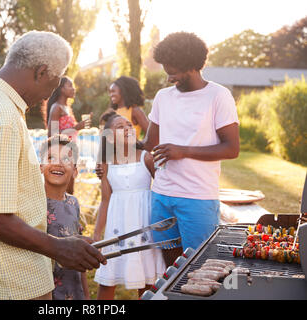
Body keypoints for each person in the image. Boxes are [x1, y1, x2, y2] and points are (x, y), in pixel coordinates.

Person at [0, 30, 106, 300]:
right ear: (41, 71)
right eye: (52, 86)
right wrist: (59, 248)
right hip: (12, 277)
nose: (46, 97)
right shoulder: (1, 115)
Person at [141, 32, 240, 266]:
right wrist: (121, 141)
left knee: (199, 266)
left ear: (191, 67)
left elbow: (231, 148)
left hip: (197, 197)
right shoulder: (163, 97)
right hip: (162, 195)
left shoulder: (218, 95)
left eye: (172, 72)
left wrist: (183, 151)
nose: (168, 78)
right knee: (170, 267)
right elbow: (149, 143)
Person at [93, 112, 165, 300]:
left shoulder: (146, 157)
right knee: (108, 278)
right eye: (119, 126)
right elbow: (105, 200)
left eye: (129, 125)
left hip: (144, 223)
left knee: (148, 280)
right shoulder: (105, 163)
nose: (127, 128)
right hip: (117, 225)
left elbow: (161, 190)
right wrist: (96, 233)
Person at [40, 134, 90, 300]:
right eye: (51, 157)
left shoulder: (73, 203)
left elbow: (78, 252)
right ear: (41, 166)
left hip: (72, 290)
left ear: (75, 171)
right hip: (43, 291)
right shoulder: (34, 204)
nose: (58, 163)